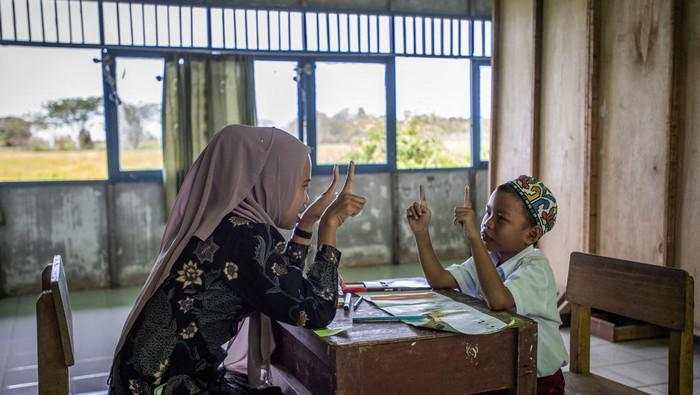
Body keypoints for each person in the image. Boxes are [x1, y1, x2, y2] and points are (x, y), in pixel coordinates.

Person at [109, 124, 366, 394]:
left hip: (145, 382)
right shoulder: (245, 237)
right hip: (169, 386)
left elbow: (280, 283)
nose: (305, 199)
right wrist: (330, 226)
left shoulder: (224, 225)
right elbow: (315, 310)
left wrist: (307, 222)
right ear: (270, 180)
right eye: (302, 186)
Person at [406, 175, 568, 395]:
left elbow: (498, 300)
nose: (487, 223)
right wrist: (422, 233)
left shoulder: (536, 268)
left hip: (536, 381)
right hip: (499, 371)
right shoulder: (490, 258)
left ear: (531, 235)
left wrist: (474, 237)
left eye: (500, 218)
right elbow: (440, 280)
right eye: (488, 212)